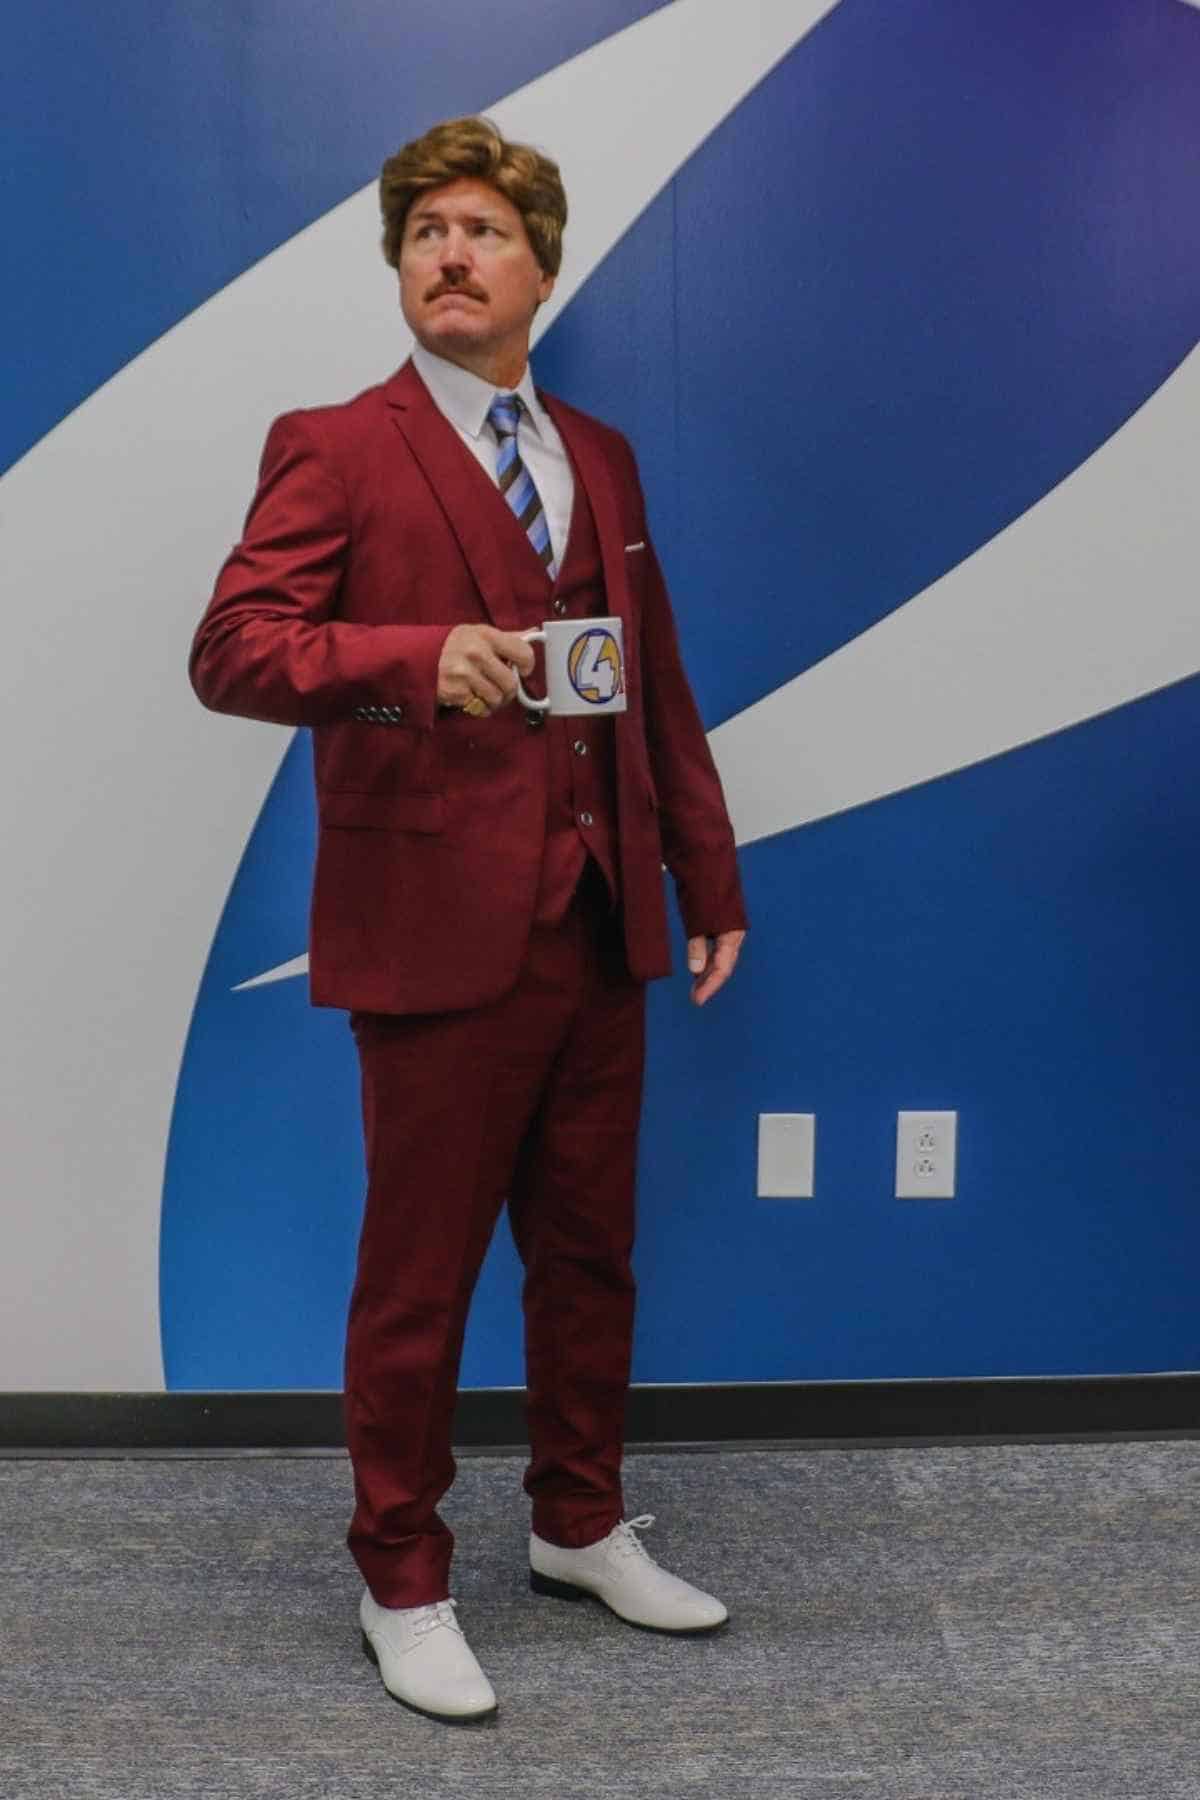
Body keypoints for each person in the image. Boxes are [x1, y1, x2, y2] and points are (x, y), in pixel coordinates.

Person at [189, 115, 747, 1724]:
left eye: (484, 230)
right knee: (418, 1274)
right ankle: (403, 1575)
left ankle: (577, 1524)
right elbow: (232, 648)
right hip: (432, 927)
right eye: (425, 230)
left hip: (596, 924)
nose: (451, 252)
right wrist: (404, 658)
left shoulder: (605, 458)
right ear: (400, 270)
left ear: (541, 270)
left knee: (590, 1255)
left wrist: (705, 876)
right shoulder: (337, 443)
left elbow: (659, 692)